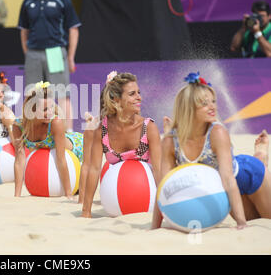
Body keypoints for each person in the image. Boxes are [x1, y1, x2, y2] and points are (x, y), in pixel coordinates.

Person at [151, 72, 271, 230]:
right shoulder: (169, 141)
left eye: (213, 101)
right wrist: (154, 227)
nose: (212, 106)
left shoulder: (217, 132)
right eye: (205, 103)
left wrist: (240, 223)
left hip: (248, 177)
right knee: (254, 219)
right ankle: (260, 155)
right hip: (223, 188)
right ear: (189, 108)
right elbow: (163, 187)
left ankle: (260, 155)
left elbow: (228, 180)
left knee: (265, 219)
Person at [81, 71, 162, 218]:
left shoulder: (149, 127)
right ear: (117, 100)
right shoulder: (102, 129)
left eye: (139, 92)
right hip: (117, 197)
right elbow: (94, 169)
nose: (139, 97)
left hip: (148, 197)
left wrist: (165, 207)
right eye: (132, 94)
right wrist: (86, 211)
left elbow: (159, 171)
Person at [17, 0, 81, 131]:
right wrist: (28, 53)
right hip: (33, 52)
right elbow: (23, 31)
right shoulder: (28, 2)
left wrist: (71, 57)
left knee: (62, 93)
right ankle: (29, 132)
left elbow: (73, 29)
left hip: (55, 51)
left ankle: (69, 133)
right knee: (31, 94)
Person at [12, 81, 88, 199]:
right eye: (45, 109)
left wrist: (68, 194)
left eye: (52, 107)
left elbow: (61, 158)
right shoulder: (18, 126)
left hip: (78, 149)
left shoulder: (55, 122)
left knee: (83, 187)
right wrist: (17, 195)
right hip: (57, 154)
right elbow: (19, 159)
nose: (50, 112)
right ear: (31, 110)